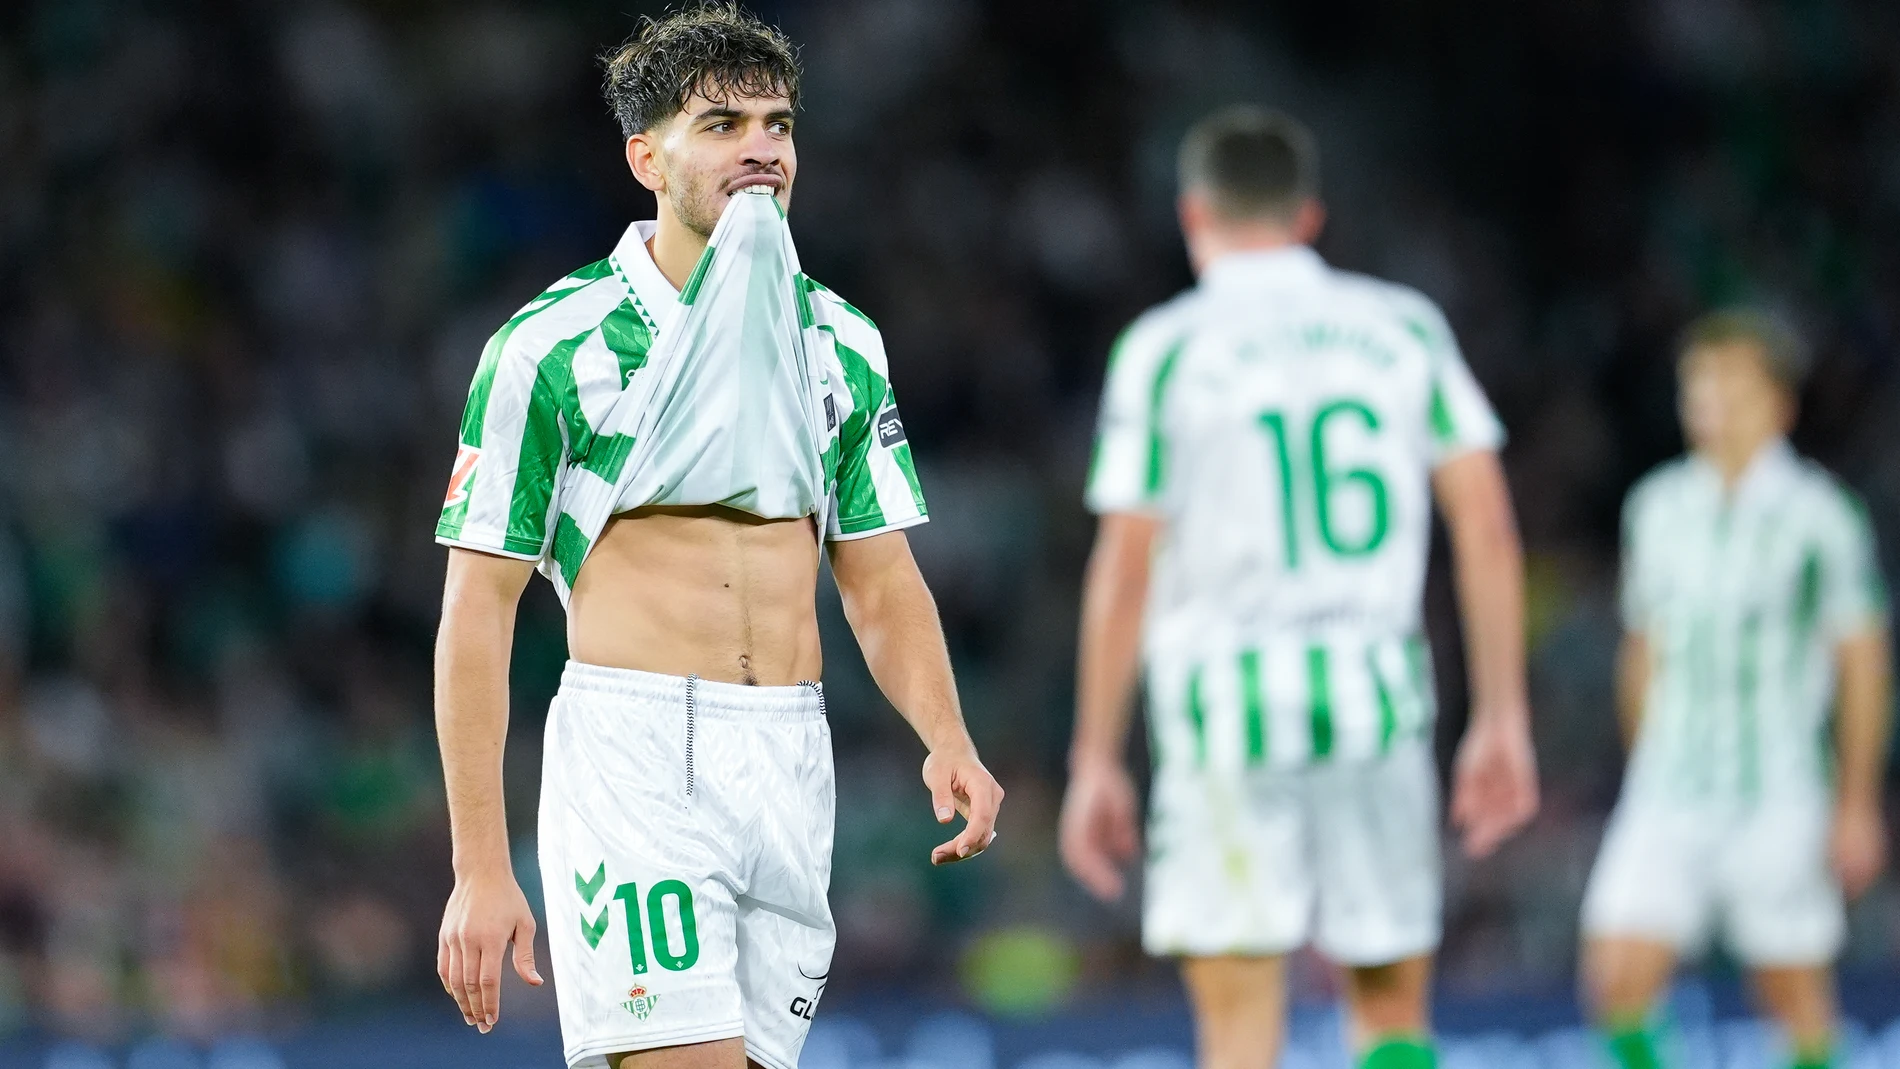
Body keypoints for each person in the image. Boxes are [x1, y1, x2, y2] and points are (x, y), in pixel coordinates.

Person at [429, 6, 1003, 1069]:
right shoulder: (550, 347)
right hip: (640, 754)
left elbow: (879, 580)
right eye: (723, 123)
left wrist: (946, 732)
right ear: (646, 157)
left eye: (778, 125)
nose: (762, 149)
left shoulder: (837, 336)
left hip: (791, 753)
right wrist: (479, 862)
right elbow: (478, 607)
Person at [1059, 105, 1539, 1069]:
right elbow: (1484, 523)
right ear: (1310, 216)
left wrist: (1095, 755)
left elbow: (1126, 564)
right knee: (1392, 1015)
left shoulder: (1166, 348)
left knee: (1240, 1030)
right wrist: (1502, 715)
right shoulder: (1403, 326)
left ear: (1194, 214)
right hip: (1376, 701)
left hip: (1223, 715)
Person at [1580, 311, 1892, 1069]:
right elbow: (1641, 647)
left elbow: (1862, 662)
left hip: (1777, 785)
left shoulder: (1822, 517)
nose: (1709, 399)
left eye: (1729, 382)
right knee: (1615, 974)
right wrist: (1643, 759)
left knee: (1788, 991)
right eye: (1698, 384)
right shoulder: (1655, 508)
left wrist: (1856, 800)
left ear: (1778, 403)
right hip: (1671, 782)